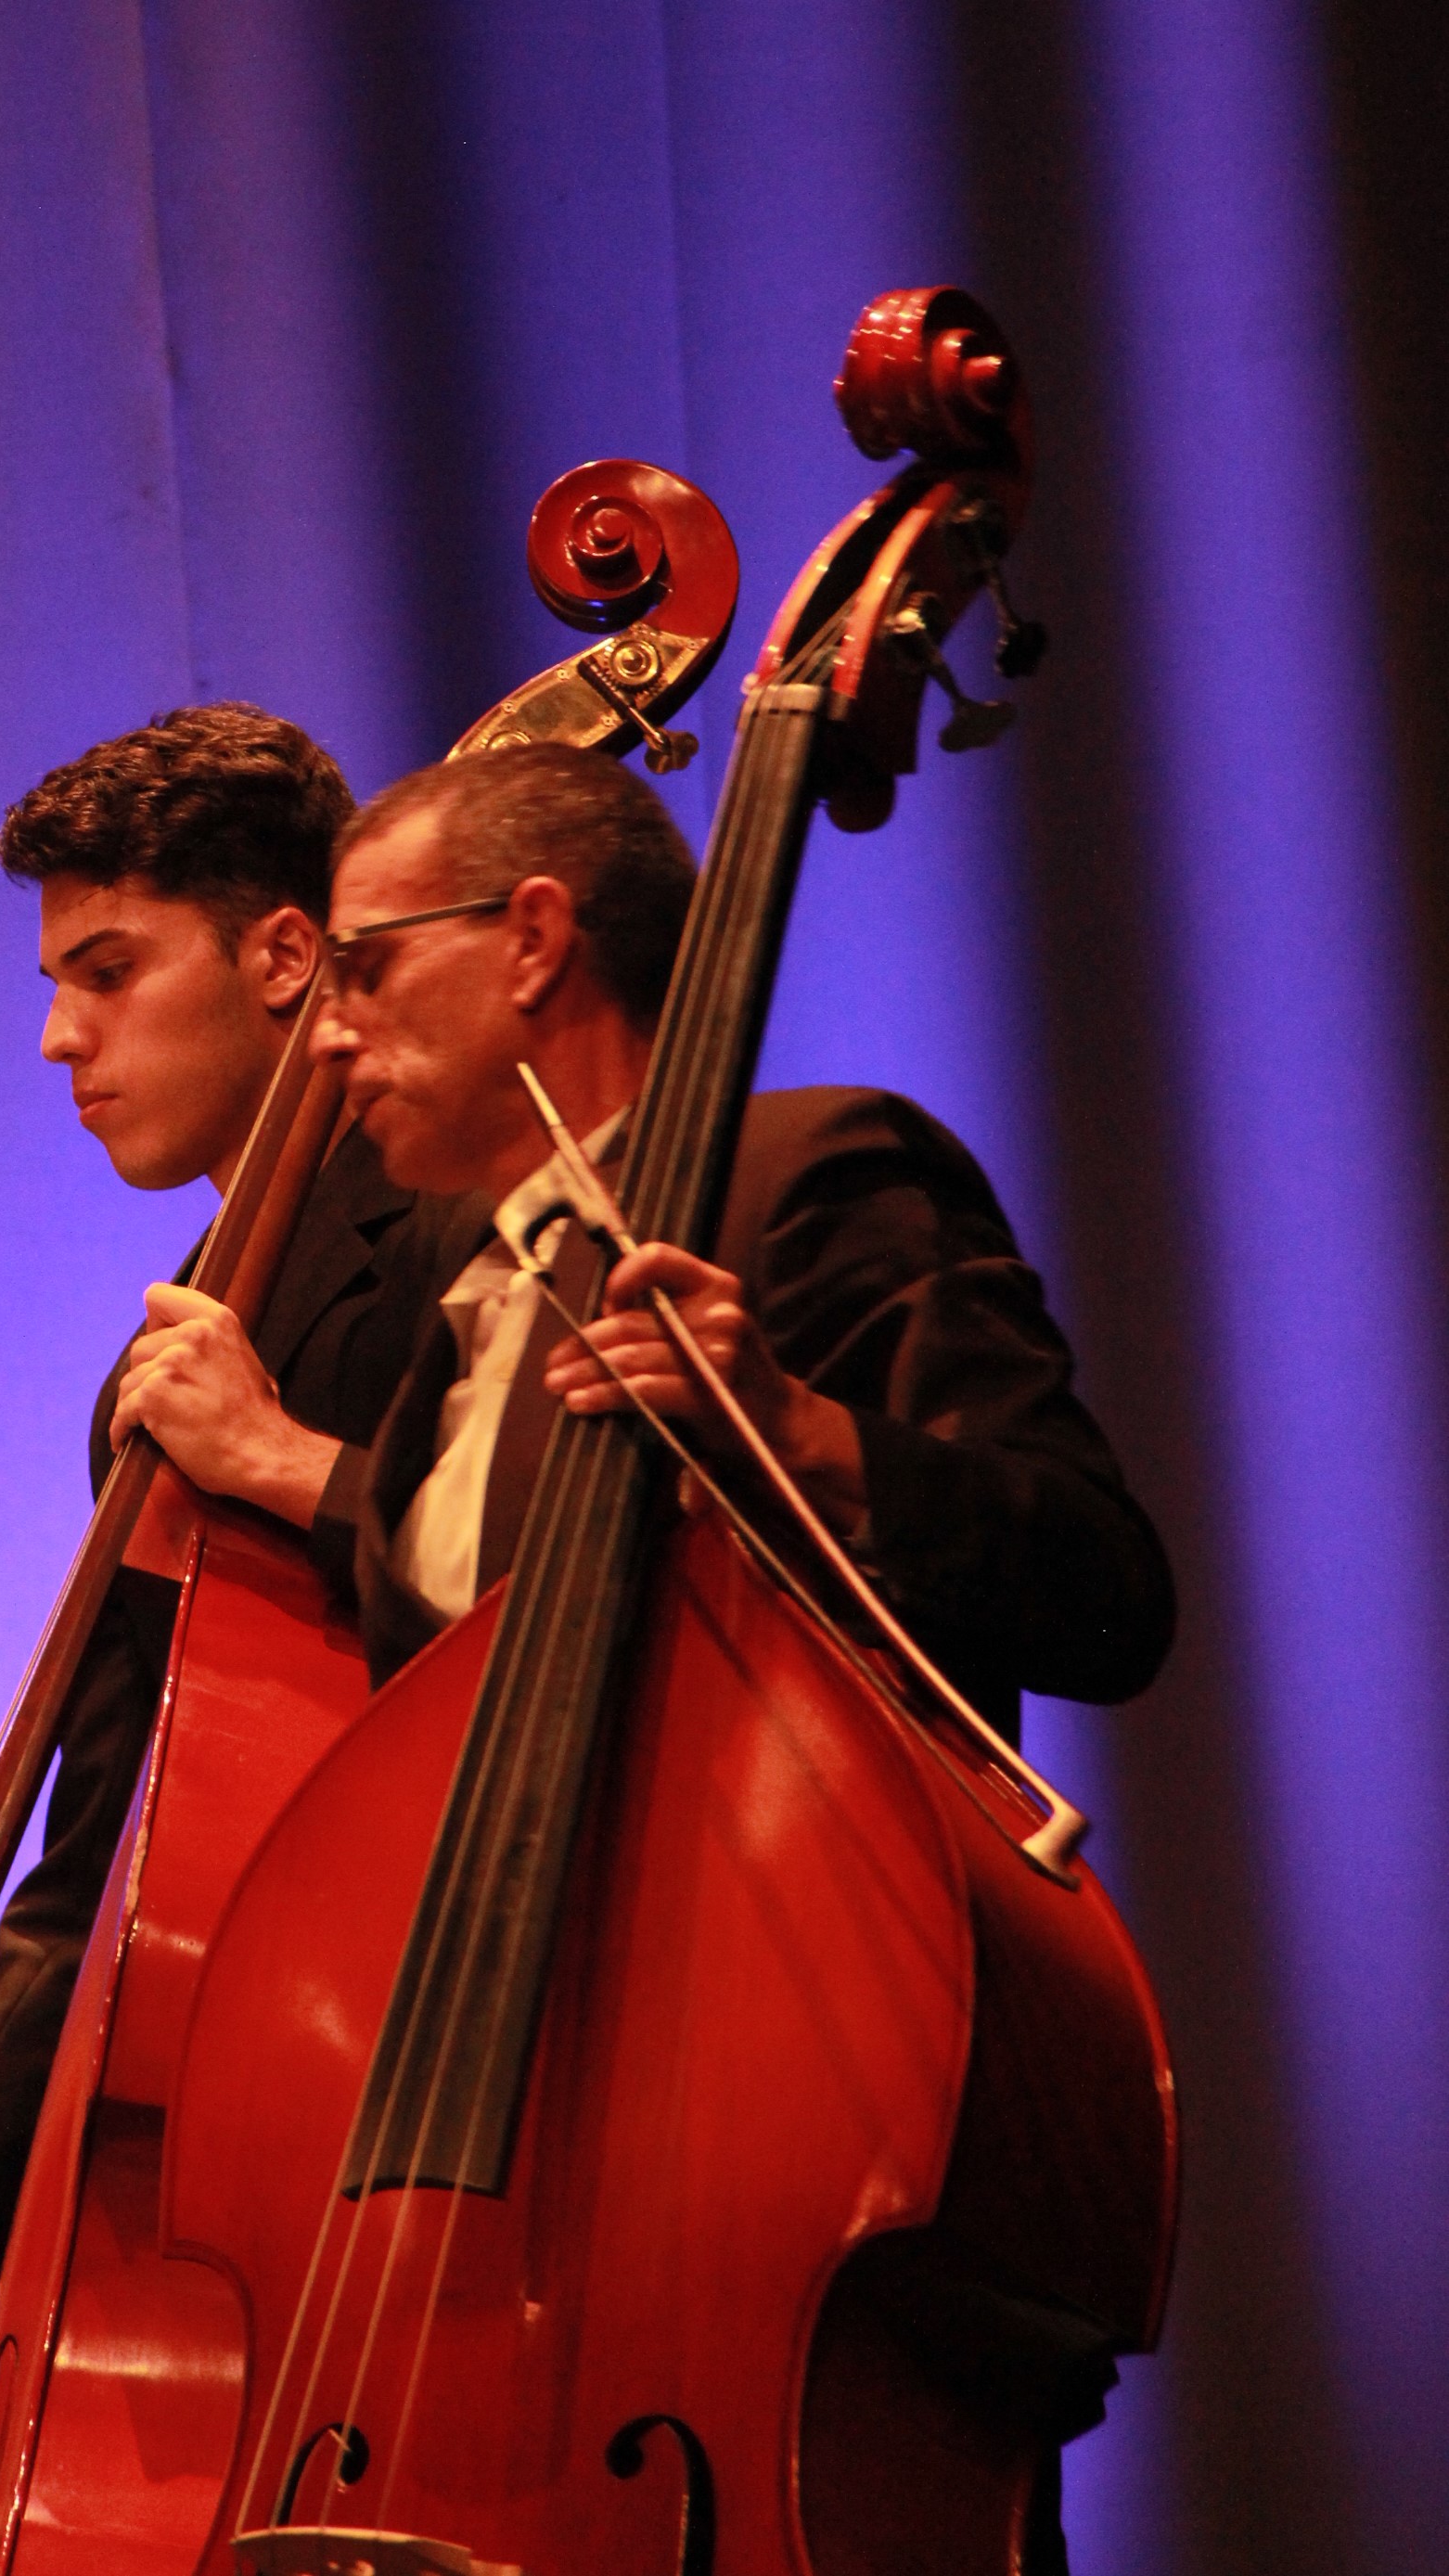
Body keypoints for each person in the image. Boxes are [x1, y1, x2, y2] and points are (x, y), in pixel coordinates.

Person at [308, 741, 1173, 2575]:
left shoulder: (806, 1173)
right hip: (539, 2172)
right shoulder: (448, 1295)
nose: (329, 1038)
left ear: (533, 936)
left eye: (365, 965)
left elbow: (1101, 1586)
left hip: (777, 2151)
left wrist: (801, 1430)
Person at [0, 704, 454, 2470]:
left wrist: (291, 1465)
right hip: (290, 2175)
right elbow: (109, 1857)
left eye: (110, 968)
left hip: (465, 2122)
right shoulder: (178, 1349)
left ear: (288, 952)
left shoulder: (467, 1227)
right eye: (59, 977)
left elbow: (587, 1610)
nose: (60, 1033)